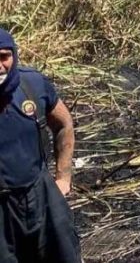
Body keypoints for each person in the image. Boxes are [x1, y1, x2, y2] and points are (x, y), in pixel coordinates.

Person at [0, 29, 82, 262]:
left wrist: (63, 178)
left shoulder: (31, 84)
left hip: (41, 193)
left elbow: (64, 124)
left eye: (3, 56)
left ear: (14, 56)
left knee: (65, 254)